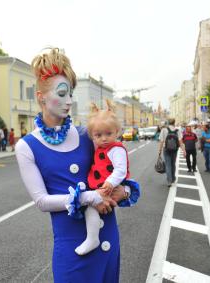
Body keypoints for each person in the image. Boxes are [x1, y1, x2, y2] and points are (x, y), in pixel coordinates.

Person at [15, 47, 128, 282]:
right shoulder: (27, 146)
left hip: (106, 236)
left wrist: (123, 191)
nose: (69, 101)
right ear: (40, 97)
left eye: (71, 94)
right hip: (72, 247)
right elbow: (42, 201)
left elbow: (119, 170)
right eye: (62, 93)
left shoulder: (88, 134)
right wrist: (90, 197)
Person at [79, 99, 139, 256]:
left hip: (109, 186)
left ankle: (92, 238)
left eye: (108, 134)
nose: (104, 138)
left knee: (90, 208)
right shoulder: (100, 147)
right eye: (98, 135)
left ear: (117, 132)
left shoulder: (116, 149)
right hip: (102, 186)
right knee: (90, 209)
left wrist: (110, 183)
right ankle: (93, 236)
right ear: (92, 135)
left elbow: (121, 169)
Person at [159, 118, 181, 187]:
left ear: (168, 123)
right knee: (173, 164)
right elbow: (180, 141)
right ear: (174, 123)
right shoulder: (177, 130)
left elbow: (161, 141)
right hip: (175, 149)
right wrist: (184, 150)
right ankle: (173, 178)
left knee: (168, 165)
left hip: (166, 149)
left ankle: (169, 181)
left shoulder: (164, 129)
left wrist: (159, 150)